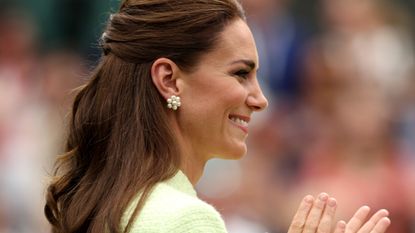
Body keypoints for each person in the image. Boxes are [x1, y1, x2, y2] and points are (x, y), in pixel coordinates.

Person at [44, 0, 391, 232]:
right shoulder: (186, 220)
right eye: (240, 74)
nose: (260, 100)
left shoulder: (106, 201)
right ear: (169, 80)